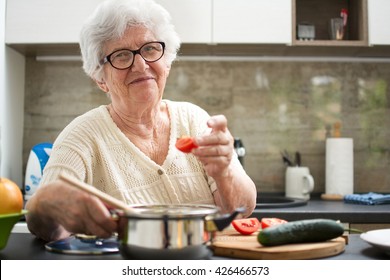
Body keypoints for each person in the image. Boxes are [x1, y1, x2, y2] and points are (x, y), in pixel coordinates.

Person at [25, 0, 257, 242]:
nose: (141, 64)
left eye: (149, 49)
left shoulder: (195, 119)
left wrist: (225, 171)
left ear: (166, 61)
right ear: (100, 78)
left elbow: (241, 212)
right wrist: (44, 203)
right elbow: (42, 222)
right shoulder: (81, 136)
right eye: (122, 55)